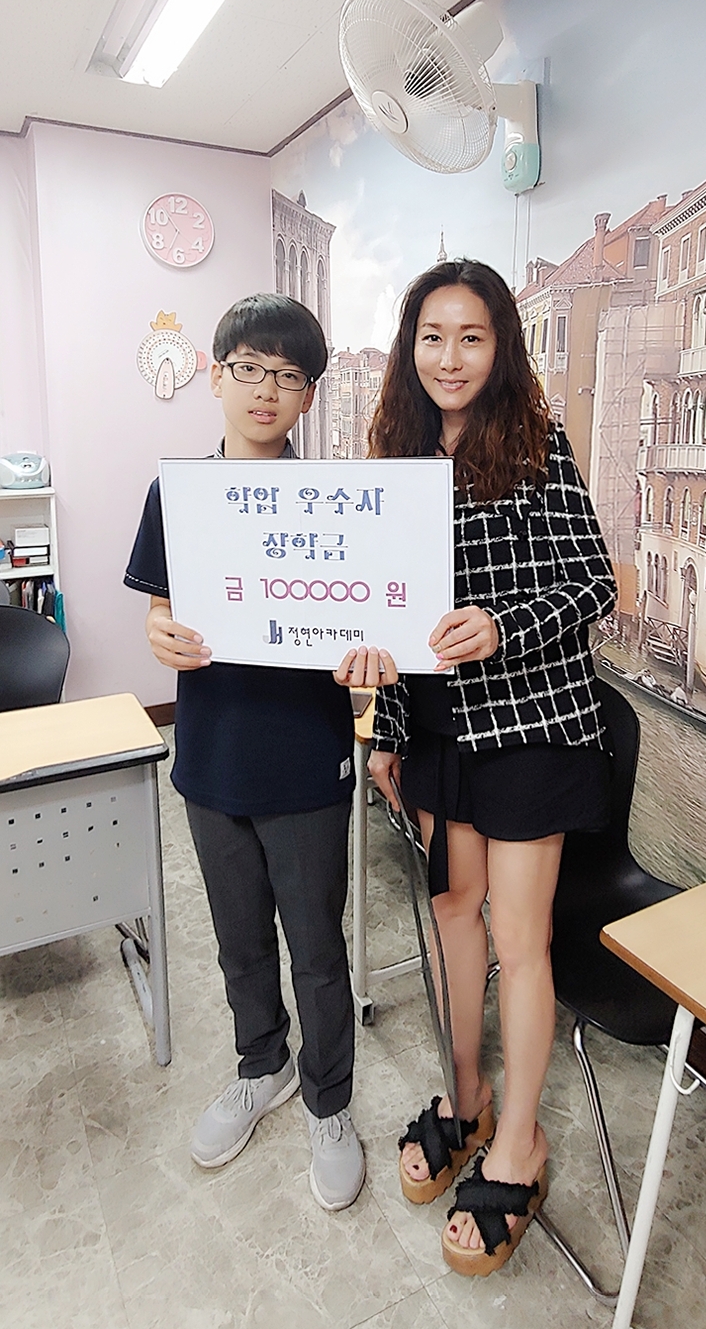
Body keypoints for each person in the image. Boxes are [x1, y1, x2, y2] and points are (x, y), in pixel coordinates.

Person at [367, 258, 618, 1276]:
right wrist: (388, 728)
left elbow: (593, 581)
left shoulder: (538, 443)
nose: (450, 356)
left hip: (528, 725)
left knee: (519, 936)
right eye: (433, 336)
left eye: (471, 336)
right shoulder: (396, 456)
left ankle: (520, 1143)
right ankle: (464, 1094)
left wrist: (503, 624)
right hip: (435, 728)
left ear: (500, 345)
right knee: (451, 910)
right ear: (410, 347)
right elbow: (387, 613)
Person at [125, 293, 392, 1212]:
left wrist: (372, 660)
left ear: (310, 394)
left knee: (316, 947)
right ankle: (261, 1066)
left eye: (288, 375)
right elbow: (160, 611)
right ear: (216, 375)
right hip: (210, 756)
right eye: (249, 369)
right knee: (239, 941)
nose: (266, 389)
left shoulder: (339, 507)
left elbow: (372, 624)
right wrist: (159, 634)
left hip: (307, 761)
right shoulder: (177, 496)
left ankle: (329, 1100)